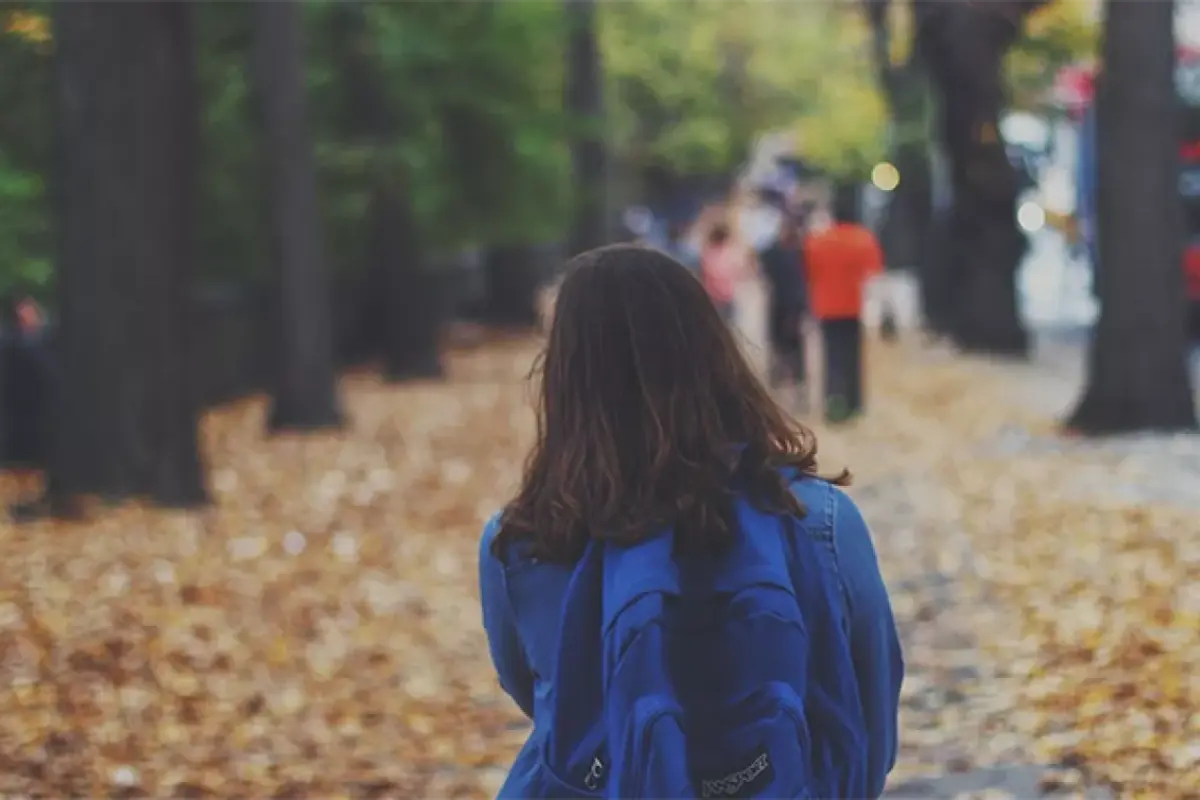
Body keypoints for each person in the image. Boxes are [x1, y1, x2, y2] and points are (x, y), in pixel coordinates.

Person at [478, 244, 903, 799]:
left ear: (564, 377)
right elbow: (870, 697)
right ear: (715, 355)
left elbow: (541, 696)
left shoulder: (522, 542)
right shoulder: (817, 520)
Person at [804, 192, 883, 422]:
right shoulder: (863, 239)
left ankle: (833, 403)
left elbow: (809, 272)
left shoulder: (817, 240)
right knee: (853, 358)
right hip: (853, 306)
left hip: (826, 306)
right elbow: (873, 273)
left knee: (832, 357)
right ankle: (855, 403)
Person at [759, 214, 808, 392]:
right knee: (778, 344)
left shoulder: (800, 252)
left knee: (793, 347)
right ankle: (780, 379)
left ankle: (796, 381)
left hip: (793, 306)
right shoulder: (782, 253)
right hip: (780, 305)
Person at [700, 221, 748, 323]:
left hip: (714, 298)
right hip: (723, 298)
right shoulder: (727, 254)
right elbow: (740, 271)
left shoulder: (708, 254)